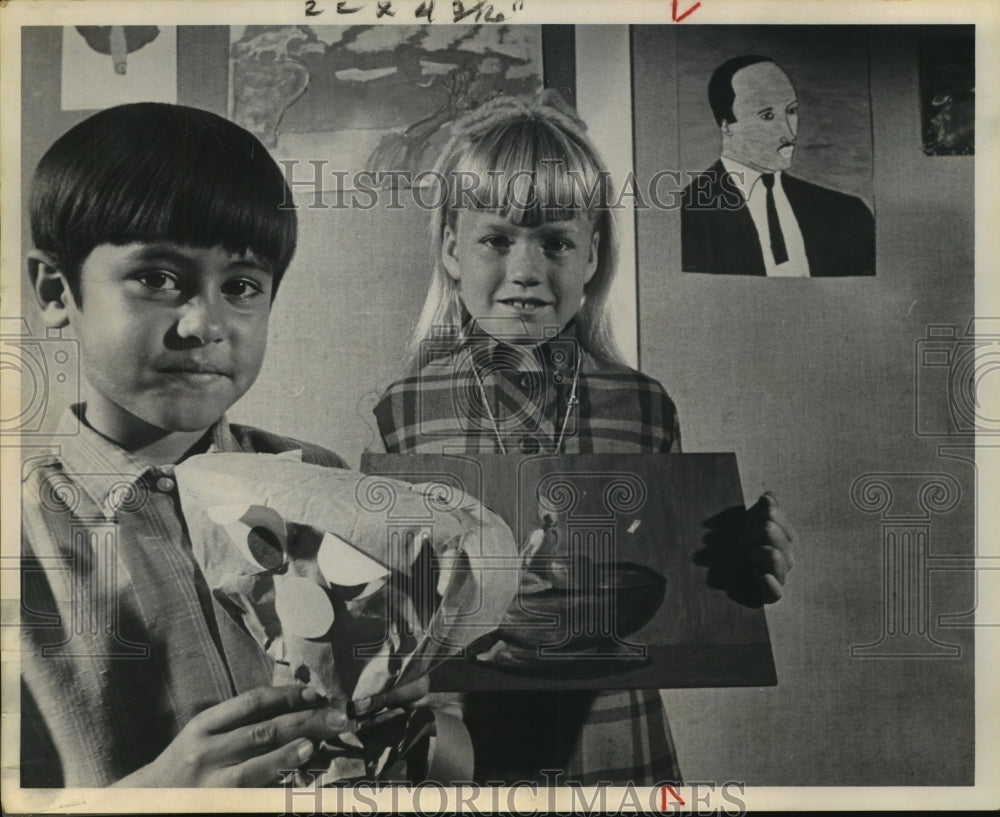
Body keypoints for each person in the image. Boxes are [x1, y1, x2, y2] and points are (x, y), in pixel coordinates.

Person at [374, 91, 798, 785]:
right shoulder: (405, 409)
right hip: (464, 748)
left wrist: (742, 563)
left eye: (556, 241)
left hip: (617, 743)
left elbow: (675, 578)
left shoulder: (644, 406)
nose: (526, 271)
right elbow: (394, 600)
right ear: (451, 248)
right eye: (496, 239)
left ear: (593, 253)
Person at [19, 103, 429, 788]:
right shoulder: (20, 537)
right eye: (157, 278)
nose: (204, 324)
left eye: (240, 286)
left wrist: (404, 713)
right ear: (56, 290)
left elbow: (379, 737)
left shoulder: (318, 481)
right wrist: (151, 798)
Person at [681, 54, 875, 277]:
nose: (789, 133)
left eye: (791, 111)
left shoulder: (847, 213)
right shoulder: (688, 213)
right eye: (767, 116)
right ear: (726, 125)